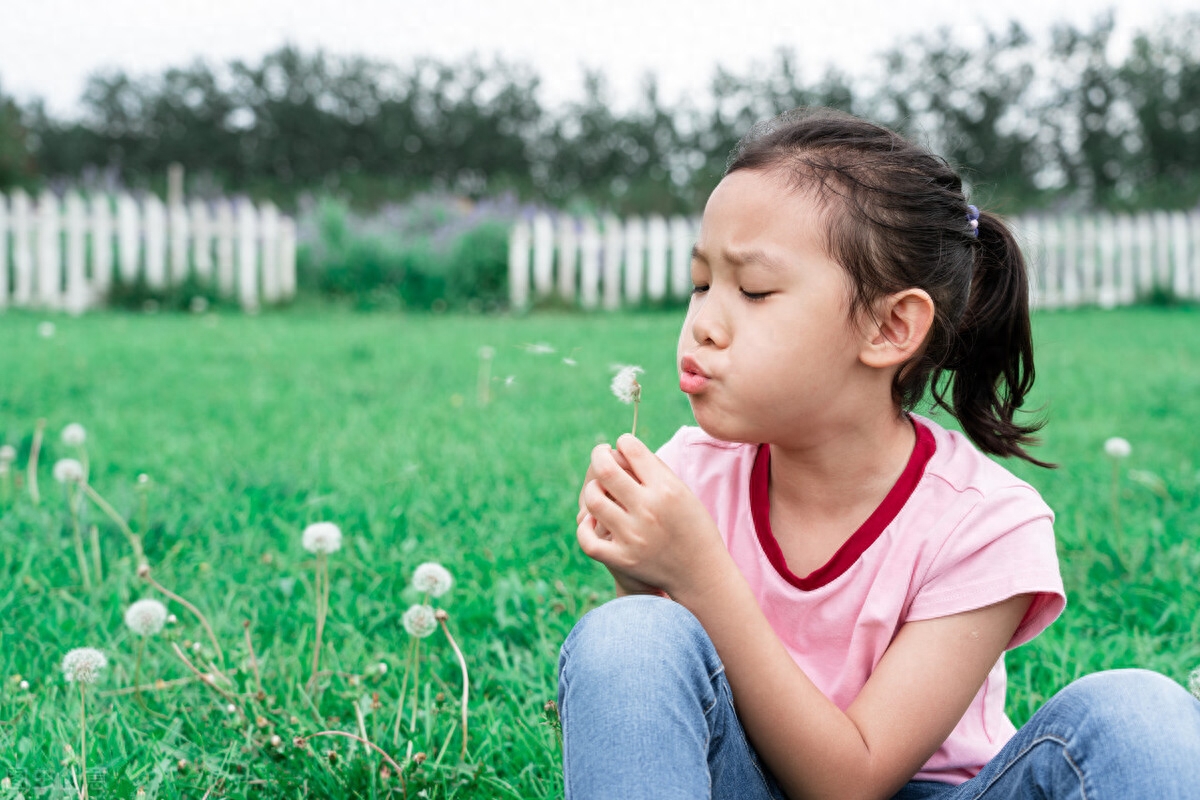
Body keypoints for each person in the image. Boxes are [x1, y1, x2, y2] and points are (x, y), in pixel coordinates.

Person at [559, 108, 1200, 800]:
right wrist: (643, 576)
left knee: (1139, 713)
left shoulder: (985, 525)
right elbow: (665, 703)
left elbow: (853, 781)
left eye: (752, 291)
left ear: (892, 326)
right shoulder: (690, 475)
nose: (704, 324)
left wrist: (699, 574)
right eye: (700, 283)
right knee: (631, 637)